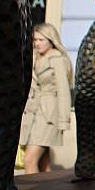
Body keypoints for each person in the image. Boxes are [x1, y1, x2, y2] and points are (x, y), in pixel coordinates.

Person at [19, 23, 73, 174]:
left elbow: (63, 91)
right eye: (35, 40)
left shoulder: (57, 59)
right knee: (43, 164)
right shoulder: (35, 57)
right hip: (33, 113)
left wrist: (64, 120)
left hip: (49, 116)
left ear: (51, 40)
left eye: (41, 40)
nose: (37, 43)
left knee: (29, 160)